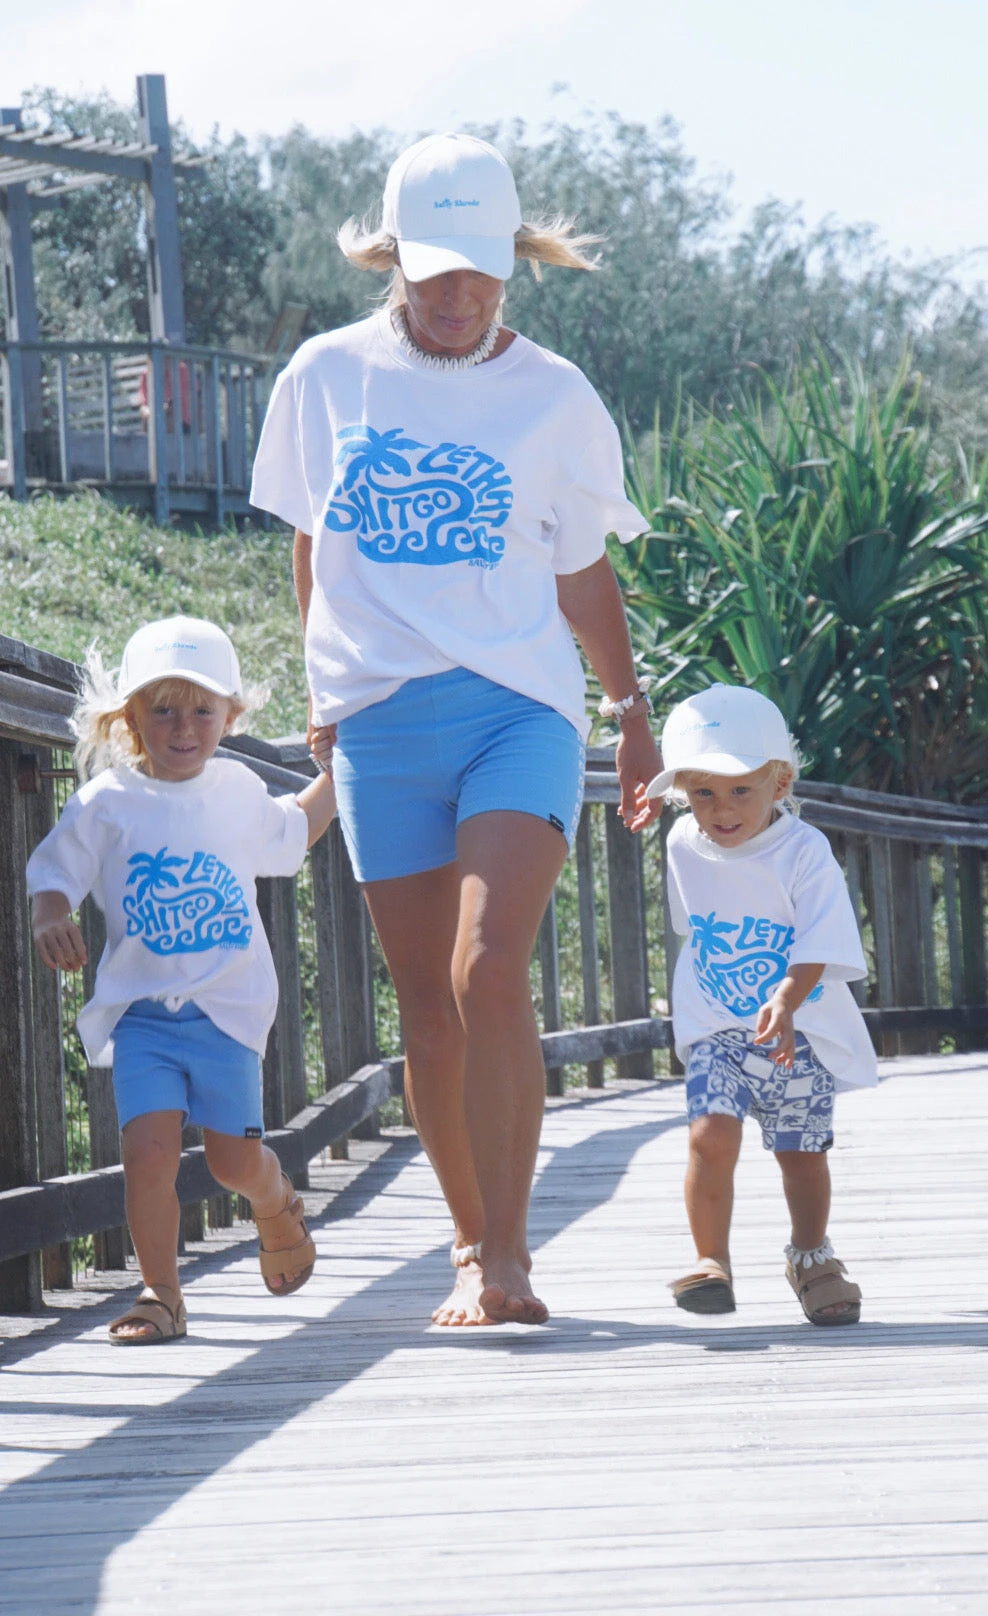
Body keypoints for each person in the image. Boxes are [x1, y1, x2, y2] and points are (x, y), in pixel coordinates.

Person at [250, 131, 663, 1326]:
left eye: (481, 270)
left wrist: (631, 710)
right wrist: (324, 691)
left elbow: (580, 571)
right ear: (392, 257)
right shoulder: (324, 375)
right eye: (435, 270)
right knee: (428, 1010)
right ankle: (468, 1237)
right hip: (381, 721)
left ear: (513, 260)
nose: (459, 295)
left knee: (488, 969)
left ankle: (511, 1256)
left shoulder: (555, 395)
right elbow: (313, 543)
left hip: (517, 708)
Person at [26, 615, 337, 1345]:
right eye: (162, 709)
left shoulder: (237, 790)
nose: (184, 727)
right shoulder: (106, 802)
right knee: (147, 1155)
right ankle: (161, 1294)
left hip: (227, 1010)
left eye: (202, 709)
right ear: (129, 717)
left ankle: (274, 1198)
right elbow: (56, 870)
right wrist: (50, 915)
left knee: (233, 1163)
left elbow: (294, 831)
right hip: (144, 1015)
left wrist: (339, 772)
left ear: (231, 715)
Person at [642, 684, 877, 1326]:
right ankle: (710, 1262)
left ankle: (811, 1257)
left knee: (802, 1157)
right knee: (709, 1134)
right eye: (702, 792)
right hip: (716, 1022)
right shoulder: (682, 843)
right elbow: (696, 928)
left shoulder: (804, 851)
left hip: (799, 1031)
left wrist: (786, 999)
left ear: (781, 782)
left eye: (741, 789)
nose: (721, 809)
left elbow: (821, 939)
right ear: (681, 792)